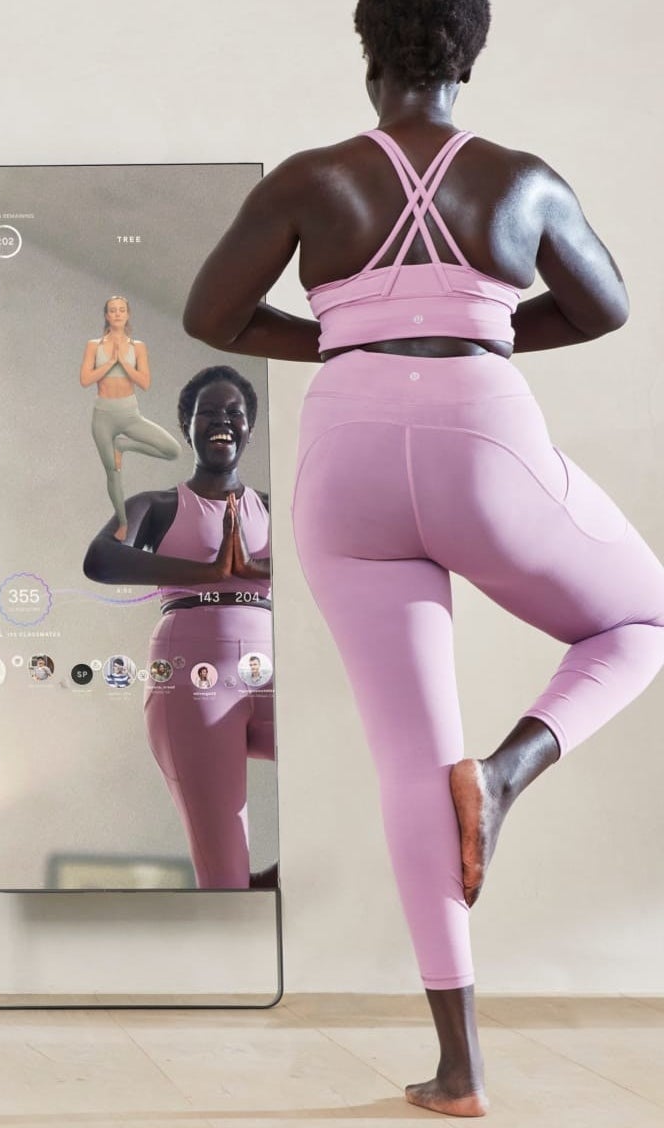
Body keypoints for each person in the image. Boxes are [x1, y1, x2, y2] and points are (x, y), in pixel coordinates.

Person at [182, 0, 664, 1116]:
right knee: (638, 619)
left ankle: (458, 1069)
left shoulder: (307, 180)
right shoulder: (518, 179)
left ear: (366, 54)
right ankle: (506, 772)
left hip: (343, 449)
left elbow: (214, 312)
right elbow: (603, 307)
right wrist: (478, 330)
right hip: (479, 433)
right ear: (469, 56)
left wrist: (344, 338)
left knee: (408, 756)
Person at [84, 365, 275, 889]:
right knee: (225, 882)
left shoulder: (273, 509)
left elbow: (327, 562)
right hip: (194, 678)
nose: (221, 421)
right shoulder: (157, 506)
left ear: (249, 429)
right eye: (206, 413)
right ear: (186, 426)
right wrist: (210, 573)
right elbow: (100, 559)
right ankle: (237, 889)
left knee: (356, 747)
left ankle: (290, 870)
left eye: (234, 413)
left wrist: (257, 571)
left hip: (271, 670)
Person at [80, 295, 181, 541]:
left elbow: (145, 382)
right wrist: (111, 362)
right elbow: (85, 380)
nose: (117, 314)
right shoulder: (94, 345)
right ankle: (123, 522)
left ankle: (124, 445)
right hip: (103, 416)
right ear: (106, 315)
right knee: (113, 471)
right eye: (112, 310)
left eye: (121, 310)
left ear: (127, 315)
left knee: (173, 450)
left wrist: (124, 363)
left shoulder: (138, 347)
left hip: (130, 414)